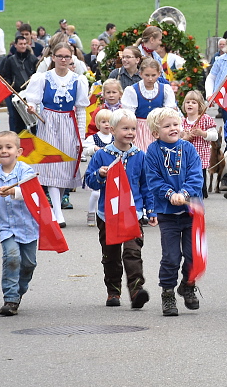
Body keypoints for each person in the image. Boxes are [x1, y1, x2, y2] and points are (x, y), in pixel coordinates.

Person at [84, 109, 152, 309]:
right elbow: (89, 181)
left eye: (133, 128)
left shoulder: (140, 156)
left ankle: (136, 290)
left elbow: (146, 185)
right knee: (111, 255)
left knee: (132, 253)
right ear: (112, 130)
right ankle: (113, 291)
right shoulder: (102, 155)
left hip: (133, 213)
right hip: (108, 214)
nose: (130, 132)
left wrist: (151, 211)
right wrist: (100, 174)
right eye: (125, 128)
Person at [143, 106, 204, 316]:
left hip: (190, 212)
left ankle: (188, 285)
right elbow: (153, 180)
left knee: (192, 256)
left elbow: (196, 176)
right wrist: (170, 194)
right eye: (167, 126)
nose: (173, 128)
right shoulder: (152, 152)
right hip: (167, 214)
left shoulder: (188, 149)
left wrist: (185, 194)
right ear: (155, 132)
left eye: (176, 124)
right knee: (171, 256)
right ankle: (167, 293)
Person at [22, 41, 90, 226]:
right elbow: (33, 103)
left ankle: (56, 208)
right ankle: (58, 213)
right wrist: (31, 107)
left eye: (66, 56)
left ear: (71, 58)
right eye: (59, 56)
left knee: (64, 169)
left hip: (69, 123)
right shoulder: (43, 78)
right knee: (52, 165)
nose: (63, 59)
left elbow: (81, 110)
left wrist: (81, 137)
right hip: (48, 122)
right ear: (52, 57)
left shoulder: (78, 80)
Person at [0, 130, 39, 316]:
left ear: (18, 151)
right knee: (12, 258)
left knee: (28, 264)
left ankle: (19, 291)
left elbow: (33, 192)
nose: (4, 151)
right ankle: (10, 298)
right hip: (7, 228)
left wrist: (14, 192)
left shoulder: (25, 170)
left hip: (29, 227)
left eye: (8, 147)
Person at [122, 56, 176, 151]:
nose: (150, 79)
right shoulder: (133, 90)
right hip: (139, 129)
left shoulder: (165, 89)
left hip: (158, 128)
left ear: (159, 74)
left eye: (153, 75)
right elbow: (129, 115)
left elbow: (169, 113)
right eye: (147, 75)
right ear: (141, 74)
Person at [181, 90, 217, 199]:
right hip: (185, 156)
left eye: (193, 102)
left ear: (200, 105)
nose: (190, 104)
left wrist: (203, 133)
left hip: (200, 155)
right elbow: (177, 138)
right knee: (186, 175)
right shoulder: (181, 121)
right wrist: (185, 138)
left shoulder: (205, 119)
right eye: (187, 102)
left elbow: (214, 135)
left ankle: (201, 191)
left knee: (199, 175)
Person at [81, 108, 115, 227]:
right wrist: (93, 149)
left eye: (109, 122)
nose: (107, 124)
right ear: (98, 124)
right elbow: (84, 151)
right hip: (96, 170)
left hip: (112, 170)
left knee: (109, 193)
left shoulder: (114, 138)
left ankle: (109, 214)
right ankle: (91, 212)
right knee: (96, 193)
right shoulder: (93, 138)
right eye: (103, 122)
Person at [0, 33, 37, 133]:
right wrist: (11, 85)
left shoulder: (33, 59)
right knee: (16, 120)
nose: (23, 46)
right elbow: (5, 75)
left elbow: (38, 74)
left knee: (33, 121)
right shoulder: (10, 60)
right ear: (15, 45)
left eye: (24, 44)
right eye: (20, 44)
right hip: (16, 94)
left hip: (30, 94)